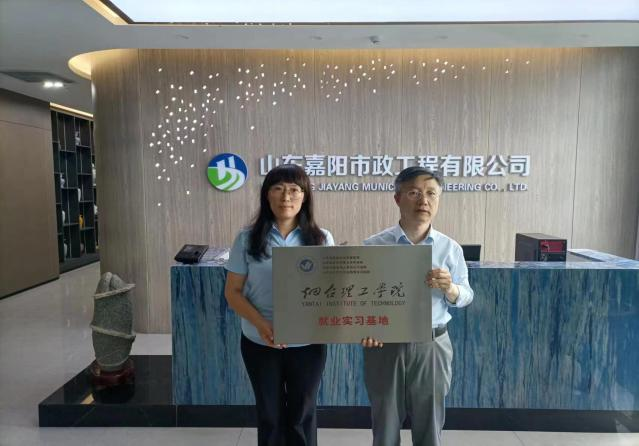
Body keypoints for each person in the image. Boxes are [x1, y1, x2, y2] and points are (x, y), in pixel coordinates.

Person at [361, 166, 474, 446]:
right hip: (384, 345)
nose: (424, 200)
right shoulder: (374, 245)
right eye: (414, 193)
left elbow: (467, 295)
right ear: (397, 198)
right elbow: (360, 299)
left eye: (431, 193)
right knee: (385, 424)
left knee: (430, 424)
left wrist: (450, 288)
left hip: (432, 344)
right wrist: (364, 327)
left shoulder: (450, 248)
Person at [224, 164, 334, 446]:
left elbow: (330, 293)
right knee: (270, 416)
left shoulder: (321, 239)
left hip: (308, 343)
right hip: (259, 341)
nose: (287, 196)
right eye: (278, 188)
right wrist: (262, 325)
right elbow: (233, 292)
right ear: (267, 195)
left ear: (305, 196)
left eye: (295, 189)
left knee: (301, 416)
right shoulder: (247, 239)